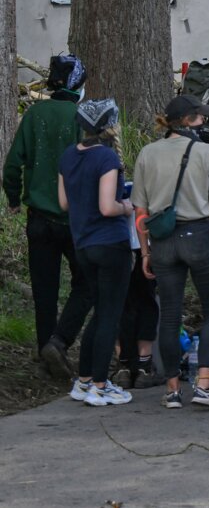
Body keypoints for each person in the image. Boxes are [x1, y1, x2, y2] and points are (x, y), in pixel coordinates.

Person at [133, 94, 209, 409]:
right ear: (188, 120)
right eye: (200, 116)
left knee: (169, 316)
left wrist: (145, 251)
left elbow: (140, 209)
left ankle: (172, 390)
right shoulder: (207, 152)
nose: (204, 120)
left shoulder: (147, 153)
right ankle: (205, 385)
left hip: (163, 241)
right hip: (199, 236)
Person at [6, 54, 89, 380]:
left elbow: (12, 165)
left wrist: (14, 198)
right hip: (74, 219)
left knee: (44, 290)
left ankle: (46, 353)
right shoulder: (82, 118)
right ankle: (61, 340)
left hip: (38, 218)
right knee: (87, 283)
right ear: (77, 85)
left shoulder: (35, 115)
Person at [56, 98, 134, 406]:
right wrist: (126, 206)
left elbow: (64, 203)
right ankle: (101, 385)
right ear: (108, 126)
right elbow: (107, 206)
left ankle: (85, 380)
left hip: (83, 244)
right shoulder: (106, 158)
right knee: (110, 315)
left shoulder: (68, 156)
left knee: (99, 312)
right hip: (111, 244)